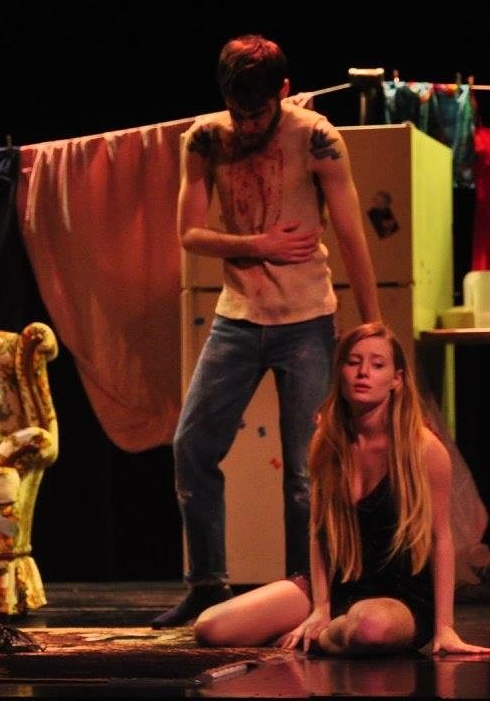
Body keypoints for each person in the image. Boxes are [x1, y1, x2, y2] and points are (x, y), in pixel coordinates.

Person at [152, 34, 382, 628]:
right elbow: (189, 234)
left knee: (306, 472)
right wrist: (259, 245)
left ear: (283, 90)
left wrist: (373, 323)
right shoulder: (204, 139)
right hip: (237, 318)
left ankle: (304, 593)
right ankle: (207, 583)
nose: (248, 124)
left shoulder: (317, 137)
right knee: (192, 447)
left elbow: (352, 234)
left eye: (258, 112)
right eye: (239, 112)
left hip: (306, 320)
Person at [191, 323, 490, 656]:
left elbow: (441, 538)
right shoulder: (328, 442)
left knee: (369, 627)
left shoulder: (424, 449)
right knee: (212, 626)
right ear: (340, 372)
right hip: (336, 586)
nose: (363, 372)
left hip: (398, 597)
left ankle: (321, 638)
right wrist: (321, 606)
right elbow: (319, 533)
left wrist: (445, 626)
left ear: (396, 379)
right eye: (353, 362)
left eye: (377, 365)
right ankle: (329, 627)